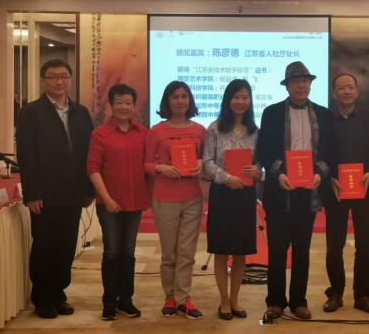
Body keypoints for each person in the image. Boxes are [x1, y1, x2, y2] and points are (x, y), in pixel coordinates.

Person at [16, 59, 94, 318]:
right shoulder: (31, 112)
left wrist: (88, 189)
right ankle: (42, 297)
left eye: (64, 76)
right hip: (45, 194)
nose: (59, 81)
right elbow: (26, 155)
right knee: (44, 246)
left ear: (70, 80)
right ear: (43, 80)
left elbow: (89, 153)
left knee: (66, 246)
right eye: (53, 76)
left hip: (73, 193)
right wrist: (32, 194)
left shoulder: (81, 112)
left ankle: (59, 293)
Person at [256, 61, 331, 320]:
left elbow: (329, 151)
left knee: (302, 249)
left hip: (308, 191)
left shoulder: (323, 114)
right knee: (277, 249)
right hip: (280, 190)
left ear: (310, 84)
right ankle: (275, 301)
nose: (301, 85)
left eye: (305, 81)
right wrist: (279, 173)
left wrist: (320, 173)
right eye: (296, 81)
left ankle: (299, 301)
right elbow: (264, 150)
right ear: (287, 86)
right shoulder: (272, 113)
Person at [87, 84, 150, 321]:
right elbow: (93, 169)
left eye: (128, 103)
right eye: (119, 102)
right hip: (109, 204)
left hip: (134, 202)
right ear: (111, 105)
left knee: (128, 253)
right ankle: (109, 302)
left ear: (134, 106)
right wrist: (107, 199)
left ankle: (126, 300)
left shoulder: (143, 133)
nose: (124, 107)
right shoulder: (100, 133)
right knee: (112, 252)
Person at [144, 81, 205, 319]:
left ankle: (183, 297)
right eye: (175, 97)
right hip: (165, 197)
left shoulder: (200, 130)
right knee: (169, 253)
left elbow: (206, 159)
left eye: (184, 96)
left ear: (190, 100)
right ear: (167, 101)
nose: (180, 101)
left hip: (192, 197)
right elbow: (146, 164)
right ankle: (169, 296)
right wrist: (161, 168)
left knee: (187, 252)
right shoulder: (156, 131)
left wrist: (200, 163)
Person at [322, 73, 369, 315]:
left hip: (363, 188)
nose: (346, 91)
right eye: (341, 88)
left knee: (364, 245)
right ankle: (335, 293)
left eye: (350, 87)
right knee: (334, 245)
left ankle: (363, 295)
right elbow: (320, 152)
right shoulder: (325, 120)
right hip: (335, 189)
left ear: (357, 91)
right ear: (334, 93)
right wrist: (329, 177)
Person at [203, 79, 261, 320]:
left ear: (250, 101)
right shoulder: (214, 128)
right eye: (236, 97)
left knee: (240, 251)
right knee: (221, 249)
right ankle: (224, 301)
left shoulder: (255, 131)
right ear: (228, 100)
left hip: (245, 195)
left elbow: (260, 163)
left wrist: (257, 171)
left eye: (244, 97)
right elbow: (207, 162)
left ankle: (235, 299)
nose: (240, 102)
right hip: (222, 194)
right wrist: (227, 178)